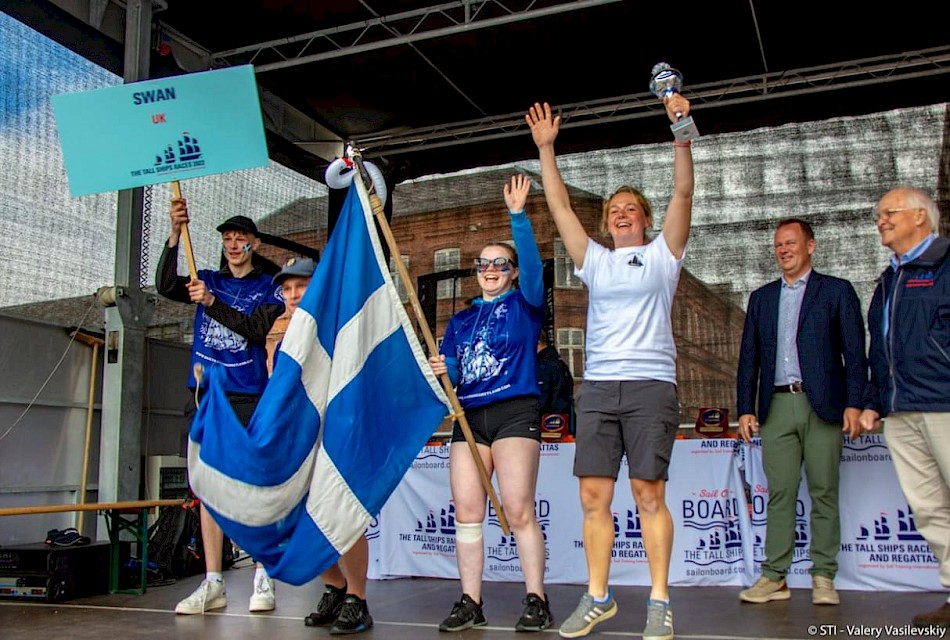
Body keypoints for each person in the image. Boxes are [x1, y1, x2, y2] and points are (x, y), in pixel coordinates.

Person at [526, 95, 693, 640]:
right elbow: (558, 207)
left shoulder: (665, 256)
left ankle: (660, 602)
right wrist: (546, 150)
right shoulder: (594, 260)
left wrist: (681, 132)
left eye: (631, 209)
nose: (622, 214)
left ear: (645, 219)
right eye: (614, 210)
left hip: (650, 387)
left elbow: (684, 192)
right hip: (597, 388)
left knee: (649, 495)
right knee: (593, 498)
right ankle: (599, 597)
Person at [428, 174, 552, 633]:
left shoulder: (527, 303)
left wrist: (518, 217)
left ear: (514, 270)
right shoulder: (459, 321)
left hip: (514, 410)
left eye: (501, 263)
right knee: (467, 512)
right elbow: (458, 378)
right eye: (483, 263)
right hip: (469, 417)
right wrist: (444, 372)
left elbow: (537, 271)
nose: (491, 269)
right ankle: (470, 600)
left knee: (518, 508)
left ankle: (537, 598)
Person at [156, 201, 284, 615]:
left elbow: (256, 328)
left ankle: (263, 573)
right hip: (204, 395)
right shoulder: (204, 277)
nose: (232, 244)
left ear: (254, 243)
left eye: (240, 238)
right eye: (227, 239)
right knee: (206, 488)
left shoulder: (269, 286)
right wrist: (175, 236)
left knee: (253, 484)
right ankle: (213, 582)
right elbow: (163, 285)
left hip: (247, 395)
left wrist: (211, 302)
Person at [736, 219, 867, 607]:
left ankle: (823, 575)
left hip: (823, 404)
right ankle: (774, 577)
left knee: (824, 491)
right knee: (780, 493)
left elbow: (855, 354)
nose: (783, 250)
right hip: (776, 406)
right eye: (778, 245)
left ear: (810, 246)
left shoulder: (837, 291)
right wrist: (745, 408)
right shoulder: (761, 298)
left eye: (790, 243)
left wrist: (855, 402)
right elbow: (749, 360)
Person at [266, 256, 375, 635]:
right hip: (296, 438)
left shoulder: (336, 326)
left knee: (340, 514)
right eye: (288, 288)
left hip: (335, 433)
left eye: (302, 286)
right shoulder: (279, 333)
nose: (294, 294)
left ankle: (358, 598)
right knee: (299, 520)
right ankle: (334, 587)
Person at [859, 187, 950, 630]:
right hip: (902, 412)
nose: (881, 221)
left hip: (944, 405)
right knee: (930, 509)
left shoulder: (946, 263)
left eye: (889, 213)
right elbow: (881, 350)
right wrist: (875, 402)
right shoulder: (888, 280)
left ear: (920, 216)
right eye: (878, 215)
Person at [536, 332, 575, 434]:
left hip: (547, 424)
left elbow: (542, 399)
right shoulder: (559, 363)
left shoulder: (544, 365)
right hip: (562, 422)